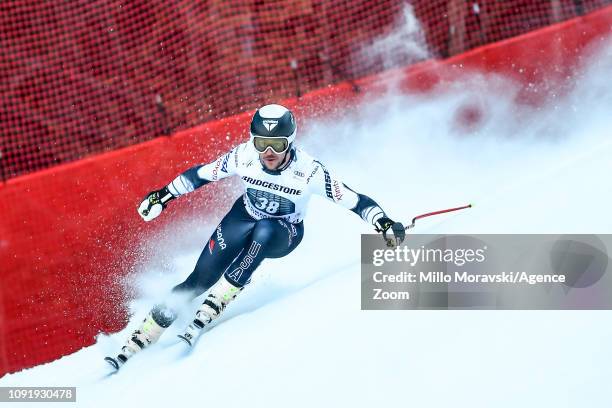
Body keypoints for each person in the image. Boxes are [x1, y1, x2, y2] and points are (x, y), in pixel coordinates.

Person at [105, 104, 405, 369]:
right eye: (262, 143)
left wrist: (383, 223)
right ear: (253, 140)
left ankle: (216, 301)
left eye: (276, 144)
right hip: (244, 216)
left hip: (283, 232)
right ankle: (144, 333)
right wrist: (164, 195)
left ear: (290, 142)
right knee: (198, 279)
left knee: (264, 231)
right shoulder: (244, 156)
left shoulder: (309, 171)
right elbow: (200, 175)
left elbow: (353, 200)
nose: (269, 153)